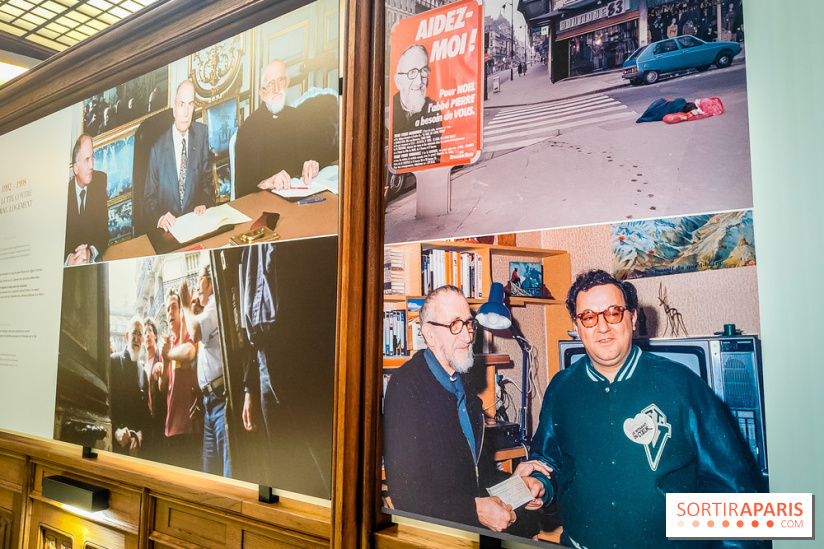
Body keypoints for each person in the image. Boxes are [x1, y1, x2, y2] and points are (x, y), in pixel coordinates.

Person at [526, 270, 765, 549]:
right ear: (577, 326)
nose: (602, 327)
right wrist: (539, 483)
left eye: (614, 313)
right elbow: (548, 460)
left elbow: (732, 490)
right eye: (589, 317)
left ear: (633, 317)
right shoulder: (561, 388)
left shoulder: (682, 385)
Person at [383, 285, 549, 532]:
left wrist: (518, 485)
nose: (468, 336)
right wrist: (476, 509)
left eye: (469, 324)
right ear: (429, 334)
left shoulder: (464, 384)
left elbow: (477, 477)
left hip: (471, 529)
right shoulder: (406, 386)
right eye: (454, 325)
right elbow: (408, 494)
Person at [234, 59, 338, 198]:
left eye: (281, 81)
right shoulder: (248, 131)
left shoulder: (298, 116)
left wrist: (313, 163)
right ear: (261, 93)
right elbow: (242, 192)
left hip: (301, 199)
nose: (277, 89)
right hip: (267, 204)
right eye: (271, 84)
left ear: (287, 82)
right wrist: (265, 183)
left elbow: (321, 154)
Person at [180, 266, 231, 477]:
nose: (197, 287)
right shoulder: (208, 309)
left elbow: (195, 331)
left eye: (199, 280)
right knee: (210, 474)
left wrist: (185, 306)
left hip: (221, 401)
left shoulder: (214, 308)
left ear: (210, 282)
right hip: (209, 403)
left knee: (228, 473)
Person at [145, 79, 214, 233]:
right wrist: (160, 218)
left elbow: (207, 181)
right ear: (174, 109)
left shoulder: (201, 134)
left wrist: (204, 202)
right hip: (169, 230)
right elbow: (149, 198)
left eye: (190, 104)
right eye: (181, 104)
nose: (186, 112)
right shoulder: (157, 148)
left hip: (196, 224)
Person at [158, 289, 203, 471]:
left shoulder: (188, 336)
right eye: (168, 309)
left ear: (181, 311)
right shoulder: (168, 344)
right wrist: (163, 364)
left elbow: (189, 352)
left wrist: (168, 354)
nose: (170, 313)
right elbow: (162, 387)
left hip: (188, 427)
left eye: (174, 307)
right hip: (171, 428)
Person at [391, 44, 441, 168]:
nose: (419, 82)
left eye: (424, 71)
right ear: (398, 81)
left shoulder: (433, 110)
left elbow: (433, 159)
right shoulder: (388, 112)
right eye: (412, 72)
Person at [65, 134, 109, 265]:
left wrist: (90, 252)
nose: (91, 165)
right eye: (86, 159)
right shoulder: (63, 196)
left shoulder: (100, 181)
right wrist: (69, 260)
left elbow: (104, 234)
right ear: (75, 168)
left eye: (92, 157)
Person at [110, 318, 148, 456]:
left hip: (135, 447)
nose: (137, 338)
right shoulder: (113, 361)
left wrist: (140, 434)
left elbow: (145, 412)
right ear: (127, 336)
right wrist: (115, 430)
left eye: (140, 334)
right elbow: (105, 402)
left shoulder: (143, 372)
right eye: (134, 333)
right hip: (115, 443)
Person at [142, 318, 168, 461]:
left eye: (149, 331)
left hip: (162, 421)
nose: (147, 335)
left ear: (155, 335)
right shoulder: (143, 366)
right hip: (149, 424)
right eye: (144, 333)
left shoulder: (161, 357)